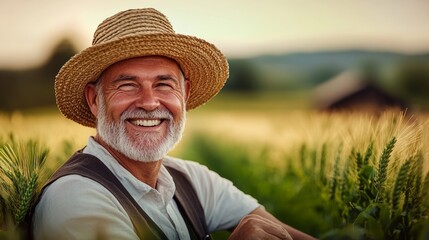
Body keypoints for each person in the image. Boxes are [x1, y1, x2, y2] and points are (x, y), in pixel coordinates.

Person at [32, 8, 316, 240]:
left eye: (164, 84)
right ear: (95, 99)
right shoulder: (74, 199)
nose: (149, 102)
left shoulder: (191, 180)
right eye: (128, 85)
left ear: (185, 94)